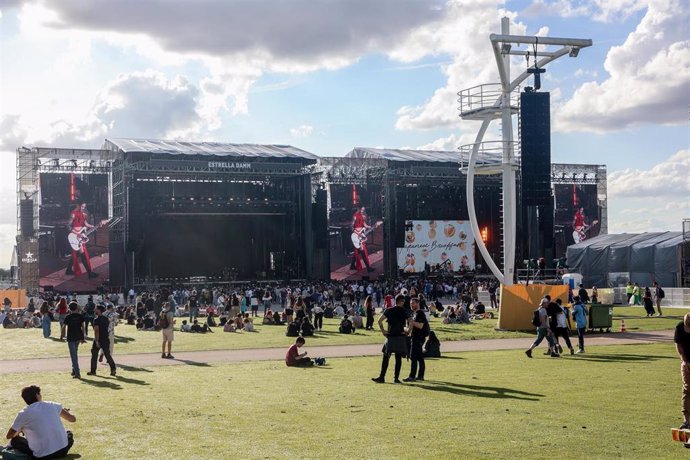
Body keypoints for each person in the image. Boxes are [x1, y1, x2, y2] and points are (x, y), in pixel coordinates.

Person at [5, 385, 76, 459]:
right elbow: (72, 419)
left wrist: (20, 430)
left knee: (15, 440)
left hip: (43, 455)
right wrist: (64, 411)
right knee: (69, 434)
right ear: (37, 395)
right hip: (63, 450)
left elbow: (9, 435)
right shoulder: (52, 404)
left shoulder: (23, 413)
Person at [372, 294, 409, 384]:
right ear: (401, 301)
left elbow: (379, 321)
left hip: (391, 336)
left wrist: (383, 331)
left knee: (386, 357)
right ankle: (396, 379)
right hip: (400, 336)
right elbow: (411, 322)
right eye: (403, 301)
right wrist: (408, 331)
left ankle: (382, 377)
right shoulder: (404, 311)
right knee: (398, 358)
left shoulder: (389, 310)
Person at [404, 297, 429, 382]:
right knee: (419, 357)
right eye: (411, 303)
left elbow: (420, 326)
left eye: (413, 303)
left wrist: (411, 321)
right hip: (415, 337)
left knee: (413, 357)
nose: (411, 305)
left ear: (418, 303)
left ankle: (412, 376)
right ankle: (420, 376)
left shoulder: (420, 313)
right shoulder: (414, 313)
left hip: (418, 338)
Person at [87, 305, 116, 377]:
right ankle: (113, 369)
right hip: (105, 339)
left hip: (99, 339)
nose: (94, 310)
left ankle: (93, 371)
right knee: (107, 355)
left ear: (99, 310)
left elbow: (96, 331)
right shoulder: (106, 319)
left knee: (94, 355)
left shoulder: (96, 320)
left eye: (96, 309)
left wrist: (96, 341)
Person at [675, 313, 690, 430]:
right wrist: (684, 360)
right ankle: (686, 420)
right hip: (686, 363)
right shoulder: (679, 327)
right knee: (687, 389)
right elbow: (678, 345)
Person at [64, 302, 86, 379]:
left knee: (73, 356)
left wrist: (62, 336)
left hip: (71, 337)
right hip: (78, 336)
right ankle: (74, 370)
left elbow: (64, 327)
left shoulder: (68, 317)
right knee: (74, 354)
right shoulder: (80, 316)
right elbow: (83, 327)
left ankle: (77, 372)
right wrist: (83, 337)